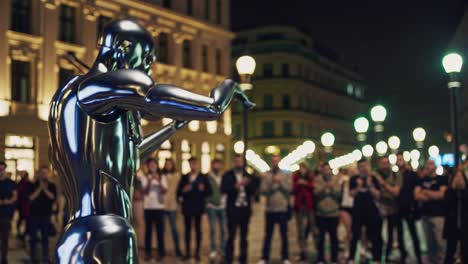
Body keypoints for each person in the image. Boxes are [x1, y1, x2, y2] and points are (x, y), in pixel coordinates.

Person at [221, 154, 259, 264]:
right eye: (236, 161)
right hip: (233, 209)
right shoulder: (228, 175)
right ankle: (229, 258)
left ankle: (243, 259)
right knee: (231, 235)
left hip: (245, 209)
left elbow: (254, 191)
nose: (238, 163)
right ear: (234, 162)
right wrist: (235, 186)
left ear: (243, 163)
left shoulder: (248, 175)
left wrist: (247, 185)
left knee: (244, 236)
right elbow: (223, 189)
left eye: (240, 162)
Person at [177, 157, 212, 261]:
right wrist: (184, 190)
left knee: (198, 230)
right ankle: (187, 252)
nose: (193, 165)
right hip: (187, 207)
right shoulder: (185, 177)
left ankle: (197, 252)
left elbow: (210, 192)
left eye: (195, 163)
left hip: (198, 207)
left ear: (197, 164)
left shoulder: (203, 177)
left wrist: (203, 189)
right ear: (189, 164)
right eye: (191, 163)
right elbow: (178, 192)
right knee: (187, 230)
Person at [258, 155, 292, 264]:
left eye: (277, 161)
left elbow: (289, 189)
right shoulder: (267, 175)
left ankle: (285, 257)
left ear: (280, 162)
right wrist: (272, 183)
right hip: (270, 209)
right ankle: (264, 257)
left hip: (282, 209)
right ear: (271, 162)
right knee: (268, 235)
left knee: (284, 235)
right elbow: (262, 190)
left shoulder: (286, 174)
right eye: (273, 161)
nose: (275, 163)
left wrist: (280, 182)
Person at [348, 159, 382, 264]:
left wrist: (370, 185)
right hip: (358, 211)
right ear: (358, 168)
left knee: (375, 236)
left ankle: (376, 259)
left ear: (368, 167)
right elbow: (351, 194)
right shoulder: (353, 179)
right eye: (361, 166)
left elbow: (378, 196)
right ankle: (352, 258)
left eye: (365, 166)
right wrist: (358, 186)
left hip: (371, 211)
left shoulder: (373, 179)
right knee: (355, 235)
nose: (364, 168)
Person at [414, 159, 448, 264]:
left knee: (441, 243)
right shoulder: (421, 180)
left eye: (431, 164)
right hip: (425, 215)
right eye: (427, 164)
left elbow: (441, 195)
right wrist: (433, 194)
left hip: (438, 215)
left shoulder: (441, 179)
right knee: (430, 244)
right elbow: (416, 195)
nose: (429, 166)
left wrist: (425, 192)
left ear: (435, 166)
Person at [373, 156, 406, 262]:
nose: (385, 165)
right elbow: (374, 193)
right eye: (382, 163)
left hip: (393, 208)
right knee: (377, 234)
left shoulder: (396, 175)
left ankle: (390, 256)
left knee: (392, 234)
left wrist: (382, 183)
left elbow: (396, 192)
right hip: (378, 209)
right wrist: (387, 190)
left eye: (387, 163)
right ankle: (377, 257)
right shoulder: (374, 176)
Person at [395, 153, 422, 264]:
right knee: (399, 233)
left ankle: (418, 256)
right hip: (398, 207)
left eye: (401, 159)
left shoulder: (412, 174)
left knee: (413, 233)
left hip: (409, 206)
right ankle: (403, 255)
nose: (399, 161)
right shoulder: (395, 175)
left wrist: (415, 204)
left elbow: (417, 189)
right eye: (398, 159)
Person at [140, 158, 167, 261]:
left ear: (156, 165)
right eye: (150, 164)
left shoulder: (162, 176)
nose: (152, 166)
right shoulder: (144, 177)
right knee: (148, 231)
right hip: (148, 207)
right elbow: (145, 191)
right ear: (148, 166)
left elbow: (165, 190)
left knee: (160, 232)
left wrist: (159, 181)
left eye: (154, 164)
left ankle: (161, 253)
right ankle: (148, 253)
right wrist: (150, 181)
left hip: (159, 207)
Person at [28, 166, 56, 263]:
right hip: (34, 215)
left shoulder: (52, 185)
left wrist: (45, 189)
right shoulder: (32, 184)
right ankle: (33, 257)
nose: (44, 174)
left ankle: (45, 257)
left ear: (48, 174)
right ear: (39, 173)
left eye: (45, 172)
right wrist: (40, 188)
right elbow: (31, 198)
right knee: (33, 237)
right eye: (42, 172)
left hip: (46, 215)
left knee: (45, 237)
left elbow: (52, 197)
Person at [314, 162, 341, 264]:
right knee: (321, 238)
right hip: (321, 213)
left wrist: (332, 188)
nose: (326, 171)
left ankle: (334, 259)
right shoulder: (318, 179)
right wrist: (324, 188)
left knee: (334, 238)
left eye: (328, 169)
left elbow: (338, 194)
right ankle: (321, 258)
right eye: (324, 169)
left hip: (333, 213)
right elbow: (316, 193)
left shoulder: (335, 179)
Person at [443, 169, 468, 264]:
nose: (458, 179)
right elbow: (446, 205)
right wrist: (452, 189)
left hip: (465, 227)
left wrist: (463, 189)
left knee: (465, 252)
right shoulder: (449, 191)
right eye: (456, 177)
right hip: (452, 226)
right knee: (449, 252)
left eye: (460, 177)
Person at [291, 162, 315, 261]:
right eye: (301, 168)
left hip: (310, 206)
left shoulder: (311, 176)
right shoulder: (295, 177)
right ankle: (303, 251)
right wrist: (298, 183)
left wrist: (306, 184)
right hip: (299, 206)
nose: (302, 170)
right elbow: (292, 189)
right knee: (300, 229)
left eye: (304, 168)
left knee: (313, 228)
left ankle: (317, 250)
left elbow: (314, 187)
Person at [161, 158, 183, 257]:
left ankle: (177, 249)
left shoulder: (177, 175)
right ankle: (162, 250)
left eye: (170, 164)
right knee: (162, 229)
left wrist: (180, 204)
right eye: (167, 164)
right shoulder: (161, 175)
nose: (168, 166)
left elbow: (180, 190)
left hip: (173, 204)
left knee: (174, 228)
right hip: (161, 205)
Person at [206, 159, 226, 260]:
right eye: (215, 164)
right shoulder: (208, 177)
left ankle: (223, 250)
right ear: (212, 165)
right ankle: (213, 250)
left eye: (219, 164)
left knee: (223, 229)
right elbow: (205, 191)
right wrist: (208, 202)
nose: (217, 166)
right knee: (213, 229)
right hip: (212, 207)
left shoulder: (224, 176)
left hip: (223, 206)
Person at [0, 161, 16, 264]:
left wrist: (7, 201)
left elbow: (15, 196)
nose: (0, 171)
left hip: (5, 215)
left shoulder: (11, 182)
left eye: (2, 169)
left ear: (5, 169)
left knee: (5, 238)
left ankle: (4, 258)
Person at [339, 167, 354, 257]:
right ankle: (347, 249)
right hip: (345, 207)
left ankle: (362, 248)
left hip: (355, 207)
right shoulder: (344, 181)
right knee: (348, 230)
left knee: (358, 231)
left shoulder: (358, 181)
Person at [15, 170, 31, 241]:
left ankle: (25, 234)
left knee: (27, 221)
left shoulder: (29, 184)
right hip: (21, 206)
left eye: (23, 175)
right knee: (20, 220)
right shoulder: (19, 183)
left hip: (28, 206)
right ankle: (21, 234)